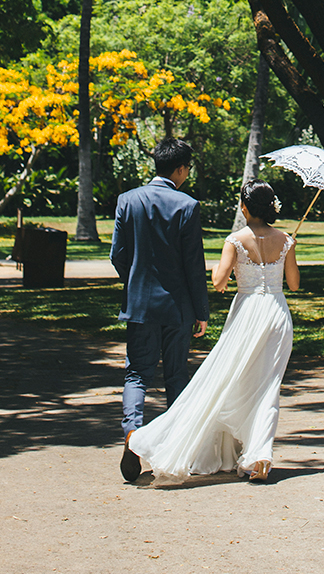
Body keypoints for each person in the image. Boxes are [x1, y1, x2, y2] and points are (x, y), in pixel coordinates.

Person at [127, 181, 299, 484]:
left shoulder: (235, 240)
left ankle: (248, 451)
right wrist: (287, 251)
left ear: (245, 207)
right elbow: (294, 284)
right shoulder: (286, 240)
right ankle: (259, 456)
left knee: (229, 379)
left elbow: (219, 282)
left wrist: (224, 273)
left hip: (247, 315)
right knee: (268, 385)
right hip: (276, 315)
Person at [111, 137, 209, 483]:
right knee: (176, 374)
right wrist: (202, 310)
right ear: (180, 169)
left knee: (137, 373)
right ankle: (175, 443)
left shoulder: (127, 200)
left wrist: (135, 281)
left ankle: (132, 434)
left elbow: (117, 255)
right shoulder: (187, 205)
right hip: (177, 305)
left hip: (139, 305)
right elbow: (193, 265)